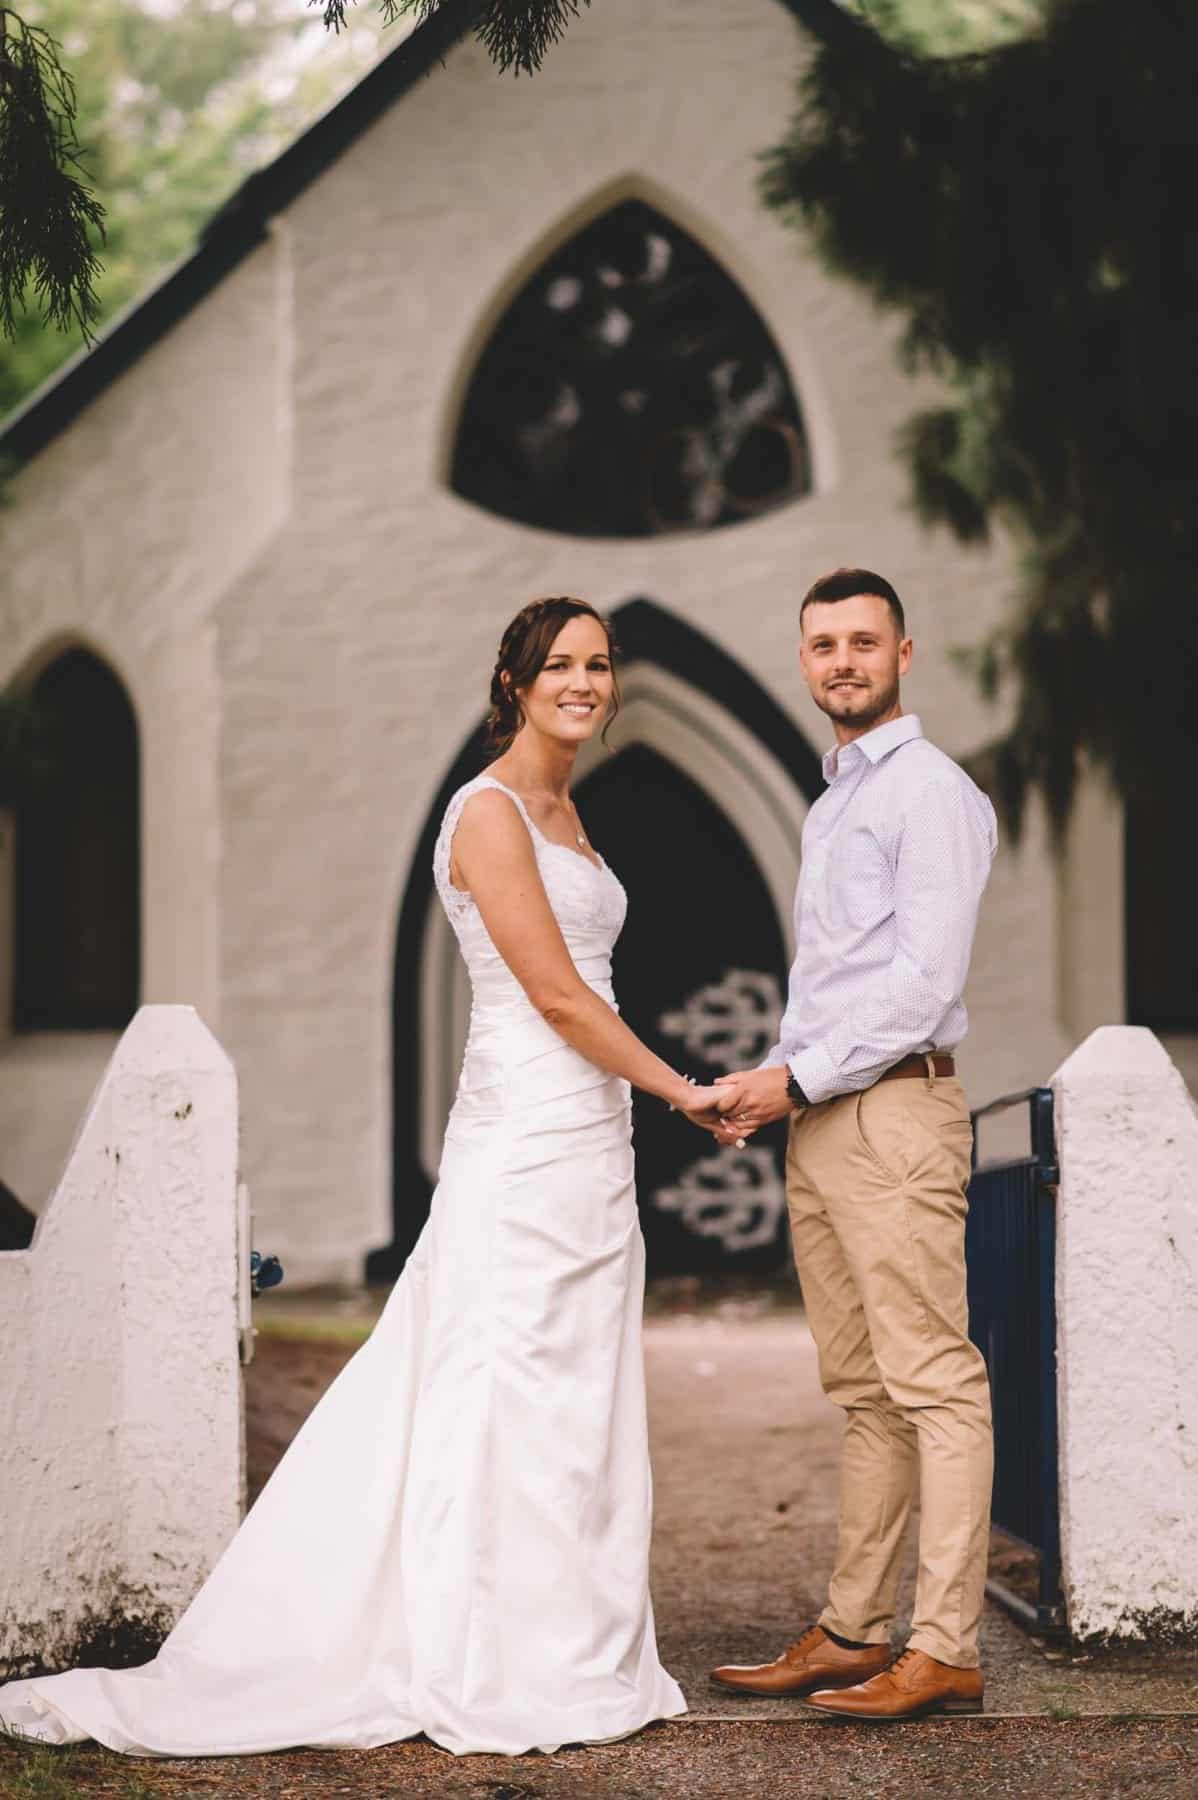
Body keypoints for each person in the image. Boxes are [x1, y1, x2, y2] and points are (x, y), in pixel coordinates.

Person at [0, 596, 729, 1759]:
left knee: (575, 1390)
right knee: (505, 1380)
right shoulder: (487, 813)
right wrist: (682, 1088)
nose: (584, 685)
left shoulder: (569, 809)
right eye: (561, 666)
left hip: (589, 1139)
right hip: (528, 1127)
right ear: (514, 679)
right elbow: (549, 992)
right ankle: (486, 1649)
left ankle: (570, 1638)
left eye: (598, 666)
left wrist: (635, 1101)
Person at [710, 568, 997, 1721]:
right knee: (864, 1390)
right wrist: (773, 1092)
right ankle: (849, 1629)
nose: (841, 661)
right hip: (826, 1117)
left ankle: (945, 1646)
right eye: (822, 645)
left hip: (892, 1110)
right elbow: (833, 980)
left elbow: (924, 982)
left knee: (934, 1381)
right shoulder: (835, 801)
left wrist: (798, 1079)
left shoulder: (926, 792)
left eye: (861, 643)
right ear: (804, 661)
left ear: (903, 654)